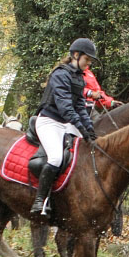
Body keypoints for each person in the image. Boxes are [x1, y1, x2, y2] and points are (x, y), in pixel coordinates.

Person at [32, 38, 99, 217]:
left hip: (67, 122)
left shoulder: (79, 77)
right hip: (50, 121)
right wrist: (81, 128)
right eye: (87, 60)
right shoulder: (60, 75)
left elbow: (80, 107)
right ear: (76, 55)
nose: (89, 64)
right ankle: (41, 200)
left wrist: (89, 129)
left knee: (88, 150)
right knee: (55, 158)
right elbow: (65, 108)